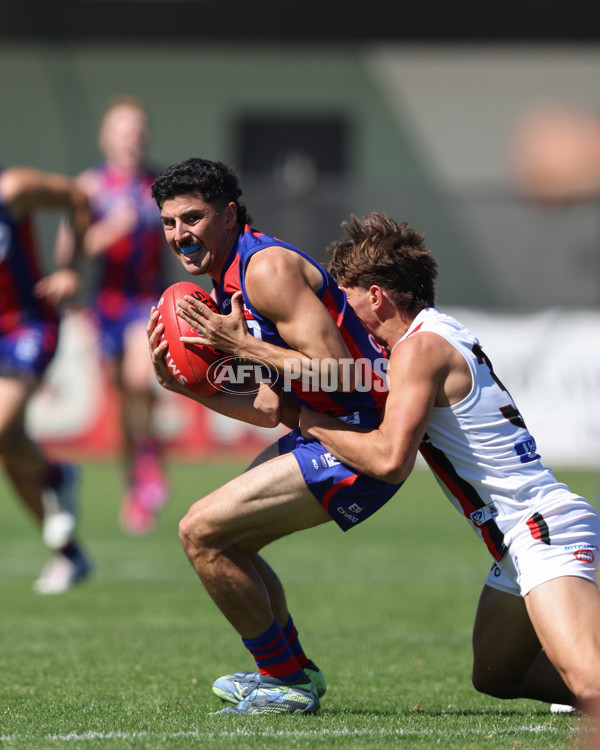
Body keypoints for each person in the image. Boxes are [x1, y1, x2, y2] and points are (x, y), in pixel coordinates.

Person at [298, 211, 600, 729]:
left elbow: (391, 460)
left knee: (588, 682)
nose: (340, 315)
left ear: (377, 297)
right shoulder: (431, 335)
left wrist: (306, 421)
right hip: (520, 534)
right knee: (496, 676)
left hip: (540, 527)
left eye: (345, 299)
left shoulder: (418, 350)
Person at [146, 157, 402, 715]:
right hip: (324, 432)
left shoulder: (265, 271)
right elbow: (268, 410)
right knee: (226, 541)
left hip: (361, 439)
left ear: (230, 213)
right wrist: (186, 388)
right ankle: (290, 671)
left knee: (201, 532)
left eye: (192, 218)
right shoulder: (227, 279)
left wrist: (245, 348)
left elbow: (337, 369)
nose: (180, 235)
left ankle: (285, 681)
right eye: (168, 223)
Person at [55, 95, 170, 535]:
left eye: (138, 129)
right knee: (121, 401)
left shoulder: (160, 183)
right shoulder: (91, 186)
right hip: (107, 304)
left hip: (148, 299)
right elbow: (69, 252)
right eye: (123, 129)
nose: (132, 137)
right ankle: (134, 483)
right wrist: (110, 230)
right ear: (107, 138)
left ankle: (150, 459)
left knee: (140, 380)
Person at [0, 165, 92, 594]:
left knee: (2, 430)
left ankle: (56, 478)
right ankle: (69, 553)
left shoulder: (13, 188)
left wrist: (69, 266)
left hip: (28, 325)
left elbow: (77, 196)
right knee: (9, 447)